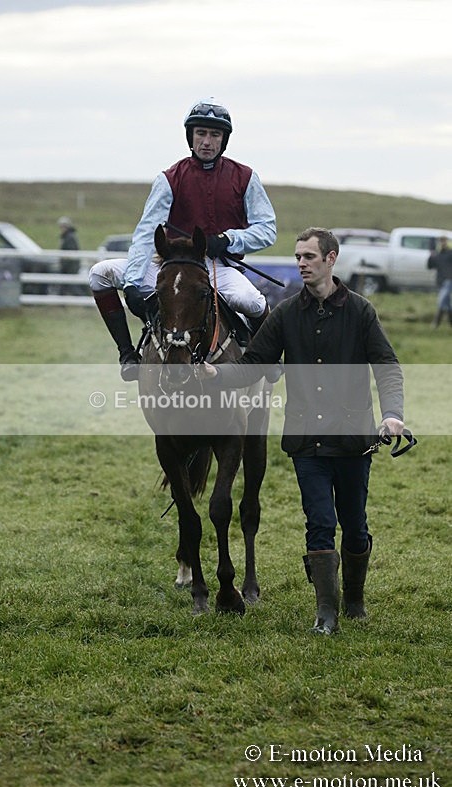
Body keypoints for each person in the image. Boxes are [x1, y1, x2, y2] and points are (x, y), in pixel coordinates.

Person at [200, 227, 405, 635]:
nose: (301, 264)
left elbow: (387, 365)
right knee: (319, 522)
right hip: (307, 442)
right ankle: (326, 613)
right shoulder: (286, 314)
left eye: (309, 256)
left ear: (331, 259)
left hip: (354, 440)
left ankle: (355, 601)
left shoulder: (361, 311)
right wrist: (215, 373)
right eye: (298, 257)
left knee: (355, 525)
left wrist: (393, 414)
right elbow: (254, 364)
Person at [88, 97, 277, 380]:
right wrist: (132, 283)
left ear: (224, 140)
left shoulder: (246, 177)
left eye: (215, 135)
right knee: (99, 274)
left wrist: (228, 240)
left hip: (218, 268)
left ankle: (267, 359)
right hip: (171, 265)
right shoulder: (169, 178)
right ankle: (127, 354)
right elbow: (146, 232)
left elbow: (267, 229)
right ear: (191, 136)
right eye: (201, 133)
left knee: (252, 302)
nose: (207, 142)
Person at [427, 235, 452, 328]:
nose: (442, 243)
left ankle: (436, 322)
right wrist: (431, 256)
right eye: (441, 241)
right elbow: (430, 266)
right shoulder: (437, 254)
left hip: (449, 280)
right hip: (441, 281)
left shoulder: (450, 253)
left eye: (444, 241)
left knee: (441, 301)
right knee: (446, 303)